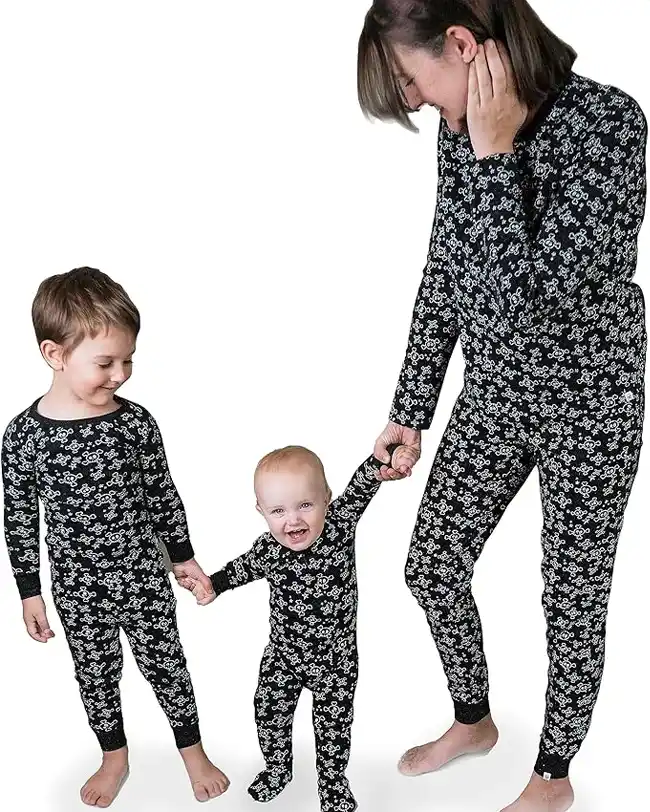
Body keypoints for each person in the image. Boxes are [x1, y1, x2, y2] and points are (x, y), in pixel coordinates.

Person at [357, 2, 647, 811]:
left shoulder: (608, 124)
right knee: (431, 567)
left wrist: (493, 154)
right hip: (496, 395)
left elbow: (537, 300)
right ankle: (474, 720)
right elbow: (448, 269)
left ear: (459, 43)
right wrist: (411, 407)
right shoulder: (461, 132)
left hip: (591, 400)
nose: (414, 101)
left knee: (572, 593)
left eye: (412, 80)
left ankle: (553, 775)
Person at [1, 267, 229, 807]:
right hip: (78, 588)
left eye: (128, 360)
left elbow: (163, 496)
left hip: (142, 575)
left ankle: (192, 751)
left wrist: (184, 559)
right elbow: (17, 517)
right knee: (95, 675)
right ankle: (114, 755)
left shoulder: (135, 424)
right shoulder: (23, 437)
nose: (121, 375)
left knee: (166, 663)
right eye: (105, 363)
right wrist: (29, 590)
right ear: (54, 354)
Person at [183, 444, 413, 812]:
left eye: (305, 505)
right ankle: (277, 769)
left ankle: (333, 783)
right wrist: (212, 585)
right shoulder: (268, 550)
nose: (293, 520)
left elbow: (362, 486)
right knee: (268, 712)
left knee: (333, 730)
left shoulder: (337, 527)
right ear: (261, 512)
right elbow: (240, 569)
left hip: (335, 664)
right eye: (278, 511)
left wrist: (383, 459)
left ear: (327, 499)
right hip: (283, 658)